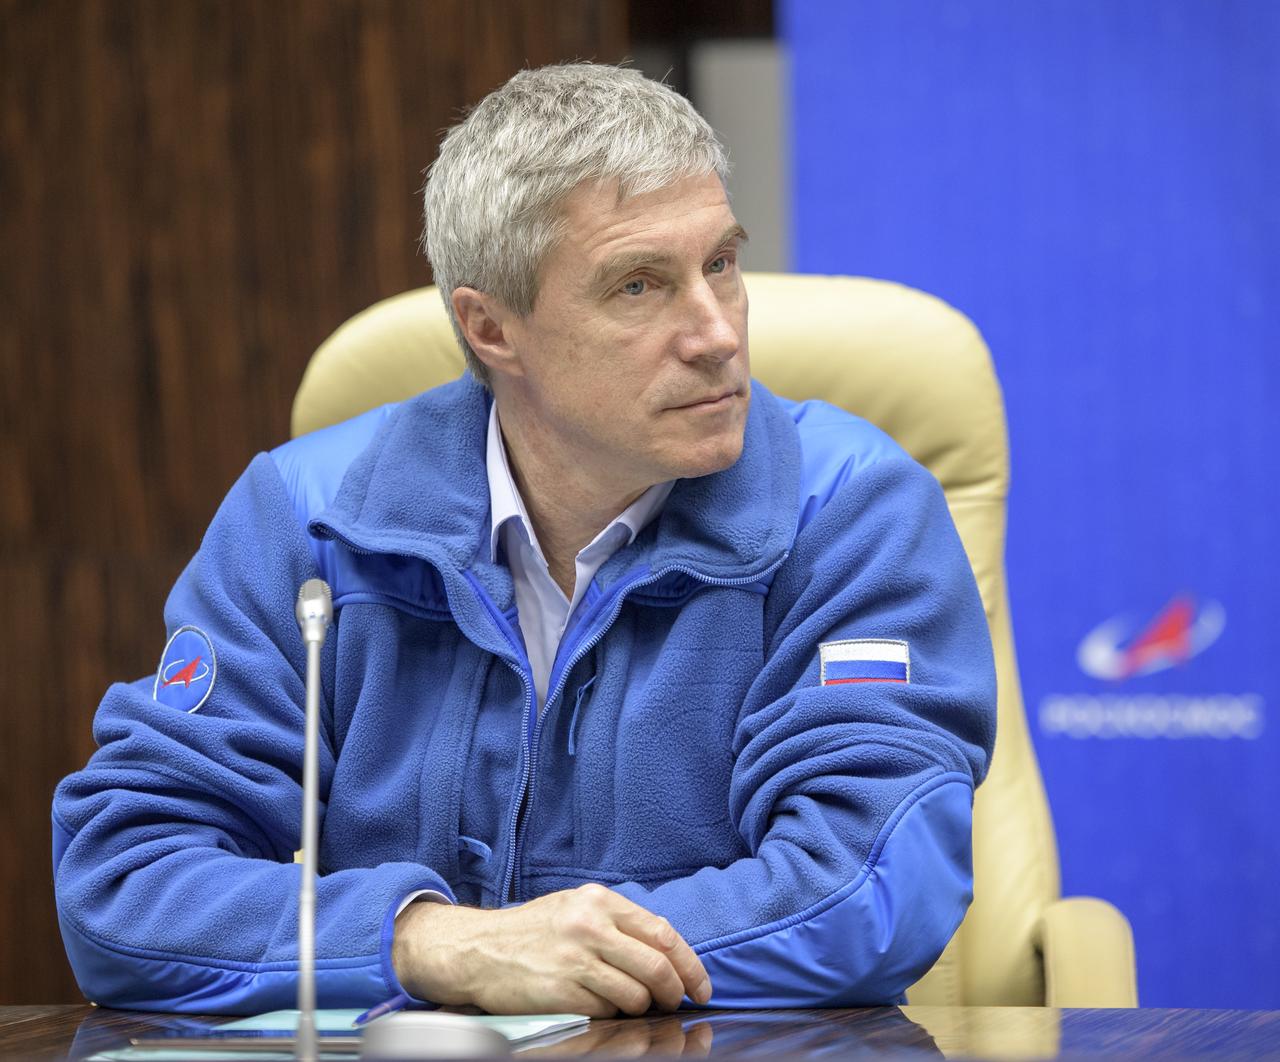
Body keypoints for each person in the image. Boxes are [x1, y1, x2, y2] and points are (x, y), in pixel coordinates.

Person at [53, 63, 996, 1017]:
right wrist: (429, 942)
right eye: (640, 285)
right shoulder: (306, 518)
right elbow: (124, 880)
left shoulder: (848, 508)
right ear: (491, 328)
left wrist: (567, 960)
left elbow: (867, 884)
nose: (716, 333)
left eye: (720, 263)